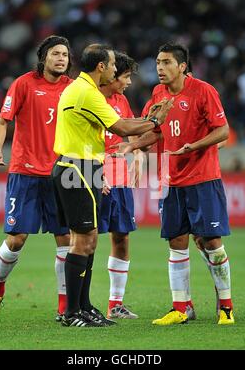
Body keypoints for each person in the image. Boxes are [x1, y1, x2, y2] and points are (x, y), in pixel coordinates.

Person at [112, 42, 234, 325]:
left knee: (212, 242)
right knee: (177, 242)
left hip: (203, 178)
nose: (159, 68)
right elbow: (155, 130)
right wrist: (133, 147)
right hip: (170, 180)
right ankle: (181, 307)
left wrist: (193, 146)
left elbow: (223, 130)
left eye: (166, 62)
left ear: (182, 66)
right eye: (157, 62)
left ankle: (226, 307)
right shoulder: (158, 94)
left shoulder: (204, 91)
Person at [52, 43, 173, 327]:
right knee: (82, 240)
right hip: (77, 168)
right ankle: (71, 313)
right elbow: (121, 128)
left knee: (90, 239)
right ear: (101, 67)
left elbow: (123, 124)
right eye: (113, 65)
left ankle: (84, 306)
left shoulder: (84, 90)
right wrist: (155, 120)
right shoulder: (87, 92)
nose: (117, 71)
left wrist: (145, 123)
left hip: (85, 167)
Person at [0, 35, 73, 322]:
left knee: (66, 238)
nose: (61, 58)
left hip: (60, 174)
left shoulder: (73, 89)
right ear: (43, 57)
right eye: (56, 53)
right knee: (17, 239)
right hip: (25, 172)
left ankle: (64, 307)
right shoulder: (23, 84)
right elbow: (2, 120)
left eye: (65, 55)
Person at [99, 51, 143, 320]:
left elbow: (132, 131)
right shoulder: (89, 98)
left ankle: (115, 303)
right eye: (125, 76)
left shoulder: (121, 101)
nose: (128, 82)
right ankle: (74, 303)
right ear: (111, 75)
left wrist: (137, 155)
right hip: (90, 177)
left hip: (120, 178)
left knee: (122, 236)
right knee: (84, 240)